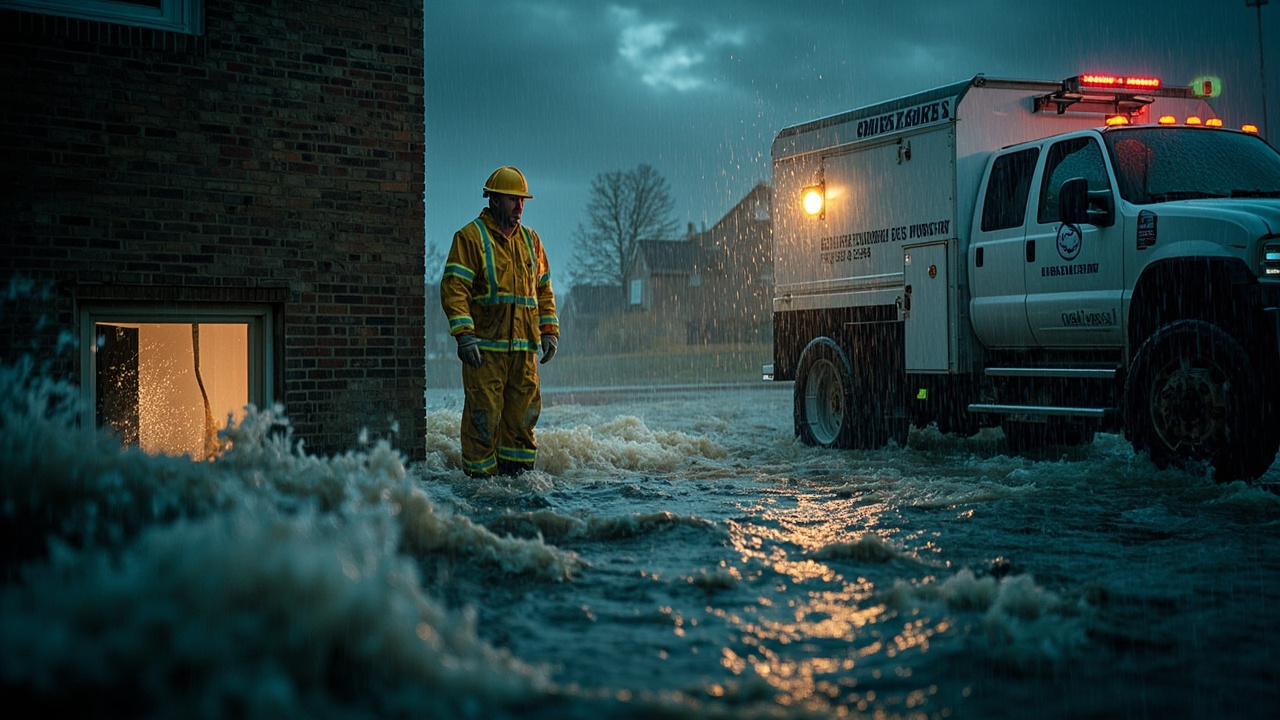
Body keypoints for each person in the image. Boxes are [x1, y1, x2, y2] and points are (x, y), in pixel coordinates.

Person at [440, 166, 559, 477]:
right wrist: (464, 335)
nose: (519, 206)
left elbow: (544, 289)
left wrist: (549, 331)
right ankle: (480, 487)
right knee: (484, 419)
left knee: (522, 420)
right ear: (493, 201)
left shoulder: (532, 241)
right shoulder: (470, 238)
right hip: (485, 355)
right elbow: (455, 288)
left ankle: (518, 481)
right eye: (512, 200)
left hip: (523, 355)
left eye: (522, 200)